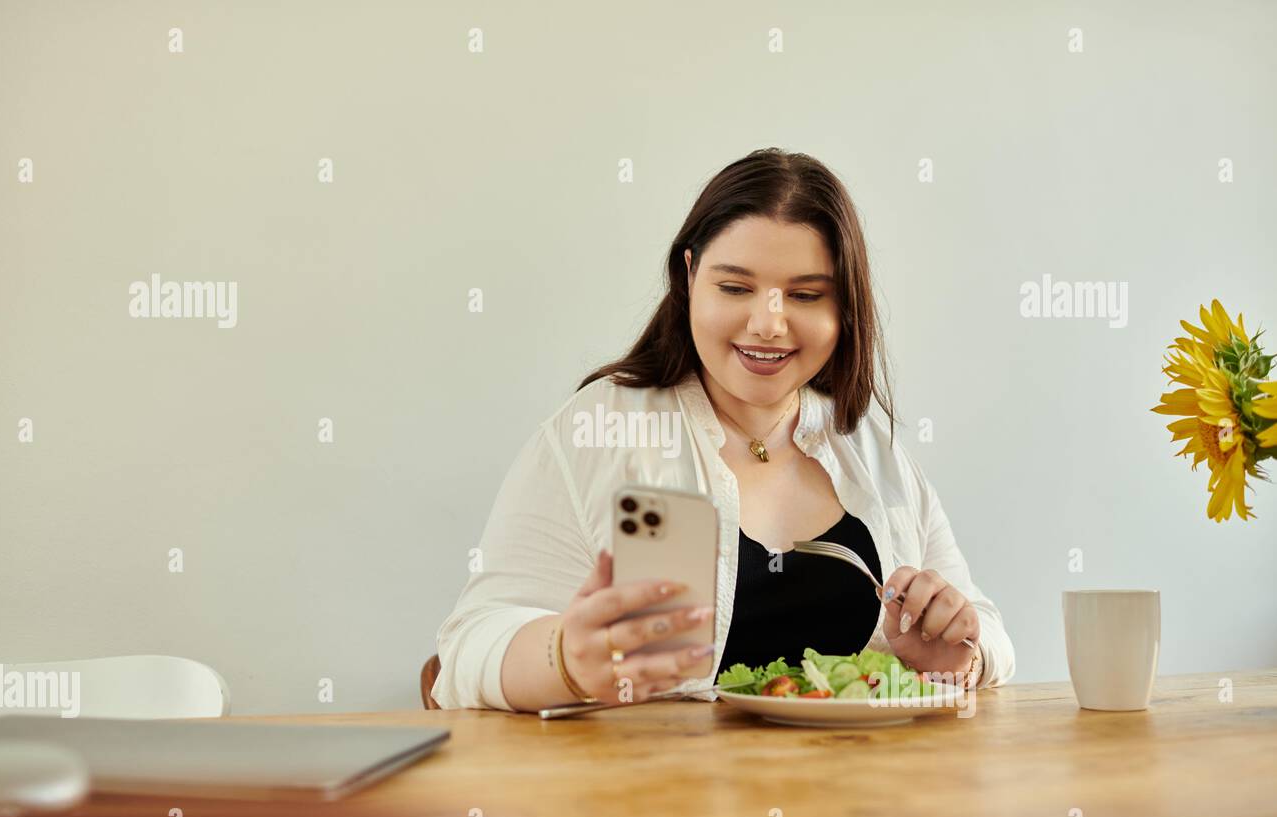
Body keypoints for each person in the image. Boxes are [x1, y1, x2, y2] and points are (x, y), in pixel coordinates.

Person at [431, 147, 1015, 712]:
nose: (767, 323)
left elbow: (989, 637)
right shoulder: (599, 431)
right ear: (689, 276)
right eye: (734, 288)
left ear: (845, 307)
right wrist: (566, 658)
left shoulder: (867, 448)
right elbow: (463, 653)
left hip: (858, 802)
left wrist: (956, 656)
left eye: (806, 294)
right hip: (657, 801)